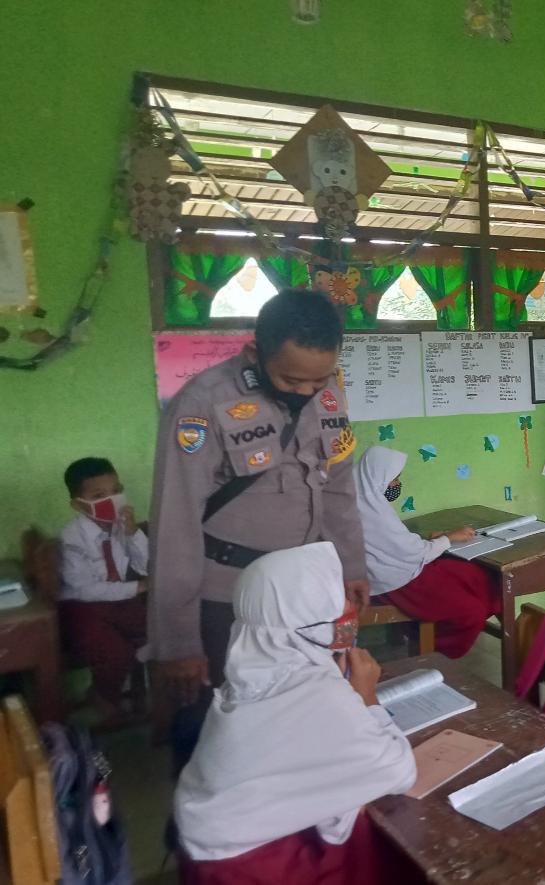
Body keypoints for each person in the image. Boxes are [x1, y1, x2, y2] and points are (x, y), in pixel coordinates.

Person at [149, 289, 368, 772]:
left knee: (301, 713)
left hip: (306, 595)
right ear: (255, 353)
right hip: (229, 597)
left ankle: (290, 826)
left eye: (320, 380)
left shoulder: (328, 393)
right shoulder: (203, 404)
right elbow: (175, 522)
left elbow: (338, 486)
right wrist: (177, 641)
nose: (308, 392)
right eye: (292, 379)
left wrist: (351, 564)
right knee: (223, 727)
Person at [173, 542, 418, 885]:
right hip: (251, 867)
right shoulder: (317, 691)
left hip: (213, 849)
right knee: (393, 851)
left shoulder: (251, 672)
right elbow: (398, 770)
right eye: (336, 595)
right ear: (304, 616)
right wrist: (367, 697)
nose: (349, 606)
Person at [354, 446, 500, 658]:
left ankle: (425, 633)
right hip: (399, 581)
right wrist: (449, 538)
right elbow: (412, 552)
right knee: (471, 610)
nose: (396, 484)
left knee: (477, 576)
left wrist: (439, 539)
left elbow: (395, 545)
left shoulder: (364, 500)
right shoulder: (373, 511)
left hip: (397, 569)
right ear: (378, 477)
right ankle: (434, 651)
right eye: (394, 479)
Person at [58, 457, 149, 726]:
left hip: (118, 599)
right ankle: (103, 696)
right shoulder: (71, 538)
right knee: (113, 651)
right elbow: (83, 589)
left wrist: (133, 534)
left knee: (156, 628)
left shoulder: (122, 527)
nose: (112, 499)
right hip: (82, 606)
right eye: (99, 495)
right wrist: (138, 587)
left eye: (116, 490)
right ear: (78, 504)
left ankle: (146, 698)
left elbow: (144, 565)